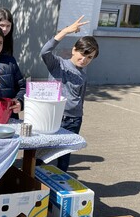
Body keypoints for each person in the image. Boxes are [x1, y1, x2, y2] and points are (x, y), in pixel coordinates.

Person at [40, 15, 99, 172]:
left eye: (89, 57)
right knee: (42, 155)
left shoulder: (83, 75)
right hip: (53, 117)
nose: (84, 59)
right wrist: (65, 31)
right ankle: (35, 185)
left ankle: (60, 188)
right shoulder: (57, 64)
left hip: (73, 121)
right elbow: (45, 51)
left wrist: (79, 117)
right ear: (74, 49)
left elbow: (80, 99)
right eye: (82, 53)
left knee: (64, 159)